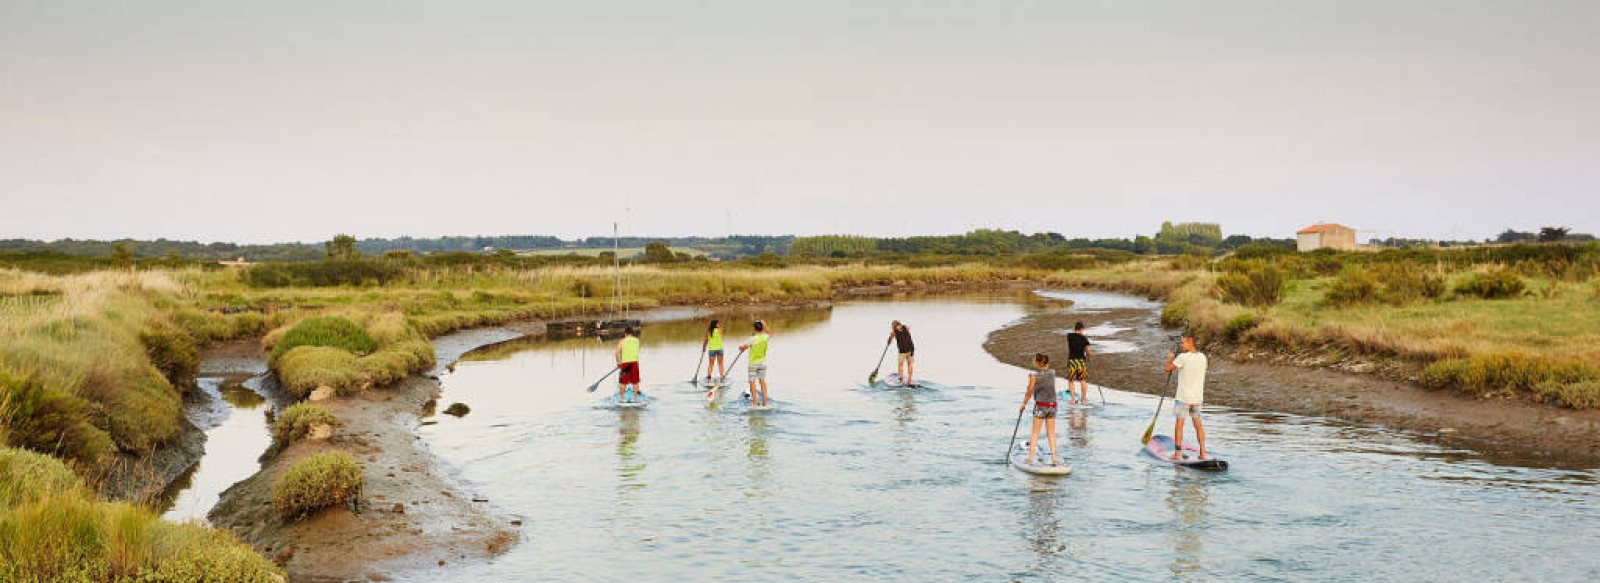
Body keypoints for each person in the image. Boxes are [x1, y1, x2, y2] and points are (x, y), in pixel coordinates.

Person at [1164, 333, 1209, 460]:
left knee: (1179, 425)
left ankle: (1177, 454)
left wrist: (1170, 358)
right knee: (1198, 424)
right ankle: (1203, 453)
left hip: (1183, 398)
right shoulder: (1203, 357)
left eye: (1183, 343)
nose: (1181, 345)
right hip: (1197, 398)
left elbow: (1167, 368)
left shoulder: (1182, 357)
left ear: (1190, 343)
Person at [1018, 353, 1060, 466]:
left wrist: (1023, 404)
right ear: (1047, 363)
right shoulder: (1053, 373)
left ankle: (1030, 458)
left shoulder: (1033, 376)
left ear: (1037, 363)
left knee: (1035, 432)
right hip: (1052, 406)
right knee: (1051, 433)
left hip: (1040, 407)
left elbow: (1029, 391)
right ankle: (1054, 459)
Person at [739, 320, 772, 407]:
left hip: (753, 364)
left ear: (754, 328)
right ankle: (765, 403)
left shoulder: (752, 339)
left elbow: (742, 348)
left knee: (752, 382)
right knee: (762, 382)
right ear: (761, 328)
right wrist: (765, 324)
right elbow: (770, 333)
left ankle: (755, 403)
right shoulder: (765, 337)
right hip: (762, 363)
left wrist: (741, 347)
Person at [1064, 321, 1093, 405]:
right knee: (1083, 380)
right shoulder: (1084, 339)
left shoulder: (1069, 336)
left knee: (1071, 381)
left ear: (1075, 328)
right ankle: (1083, 400)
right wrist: (1089, 357)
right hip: (1080, 361)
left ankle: (1073, 399)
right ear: (1081, 329)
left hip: (1072, 360)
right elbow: (1088, 350)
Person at [614, 327, 643, 403]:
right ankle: (636, 399)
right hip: (634, 363)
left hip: (625, 364)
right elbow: (638, 349)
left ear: (625, 333)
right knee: (635, 382)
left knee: (623, 382)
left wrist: (618, 362)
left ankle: (621, 399)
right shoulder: (637, 341)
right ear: (632, 333)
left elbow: (616, 352)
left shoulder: (622, 341)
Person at [888, 320, 915, 385]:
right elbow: (908, 333)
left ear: (893, 326)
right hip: (910, 349)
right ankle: (909, 380)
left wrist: (889, 341)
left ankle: (901, 380)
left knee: (900, 365)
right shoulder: (906, 327)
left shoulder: (894, 332)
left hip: (902, 351)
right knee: (910, 364)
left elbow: (889, 340)